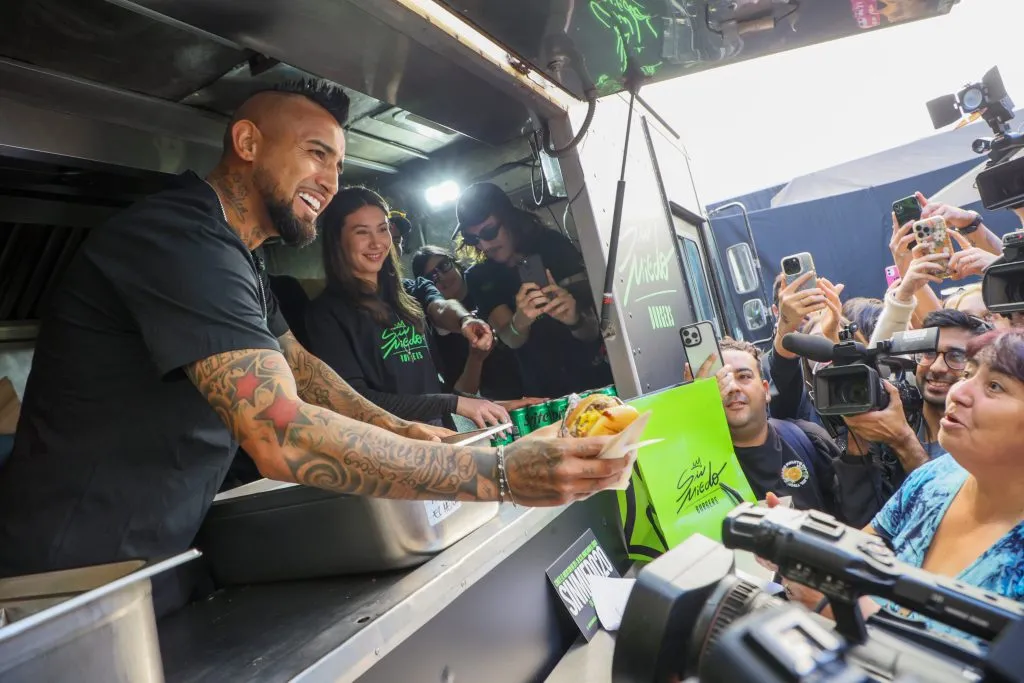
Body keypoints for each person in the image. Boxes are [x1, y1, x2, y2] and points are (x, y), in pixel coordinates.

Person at [0, 80, 630, 578]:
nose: (329, 182)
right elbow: (281, 435)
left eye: (338, 164)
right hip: (64, 571)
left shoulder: (238, 253)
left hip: (150, 555)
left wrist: (396, 425)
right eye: (315, 154)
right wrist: (499, 473)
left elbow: (300, 367)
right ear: (247, 144)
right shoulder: (181, 237)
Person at [788, 328, 1024, 641]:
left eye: (994, 386)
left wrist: (843, 609)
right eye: (967, 374)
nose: (959, 392)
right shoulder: (935, 476)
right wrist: (799, 541)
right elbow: (855, 553)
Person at [305, 187, 509, 429]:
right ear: (337, 240)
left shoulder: (410, 291)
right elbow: (355, 401)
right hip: (393, 450)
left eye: (382, 230)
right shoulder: (325, 315)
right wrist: (452, 403)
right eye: (362, 232)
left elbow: (441, 308)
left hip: (443, 436)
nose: (376, 242)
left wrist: (465, 321)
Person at [688, 338, 879, 526]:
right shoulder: (695, 467)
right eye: (721, 382)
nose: (733, 388)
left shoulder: (808, 439)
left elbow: (859, 519)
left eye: (744, 376)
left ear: (765, 390)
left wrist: (857, 452)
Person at [456, 182, 612, 398]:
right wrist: (521, 319)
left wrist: (574, 317)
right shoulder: (479, 275)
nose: (483, 245)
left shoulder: (553, 247)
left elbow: (594, 330)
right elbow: (510, 339)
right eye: (472, 239)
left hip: (595, 380)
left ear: (509, 218)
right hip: (542, 392)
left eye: (489, 232)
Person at [845, 310, 992, 477]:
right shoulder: (887, 424)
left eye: (956, 356)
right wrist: (858, 447)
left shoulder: (991, 442)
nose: (937, 367)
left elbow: (945, 500)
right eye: (928, 353)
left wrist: (904, 442)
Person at [411, 245, 525, 400]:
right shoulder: (439, 331)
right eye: (432, 277)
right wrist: (476, 358)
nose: (442, 277)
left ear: (455, 262)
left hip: (541, 377)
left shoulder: (487, 280)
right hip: (504, 402)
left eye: (444, 266)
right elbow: (462, 394)